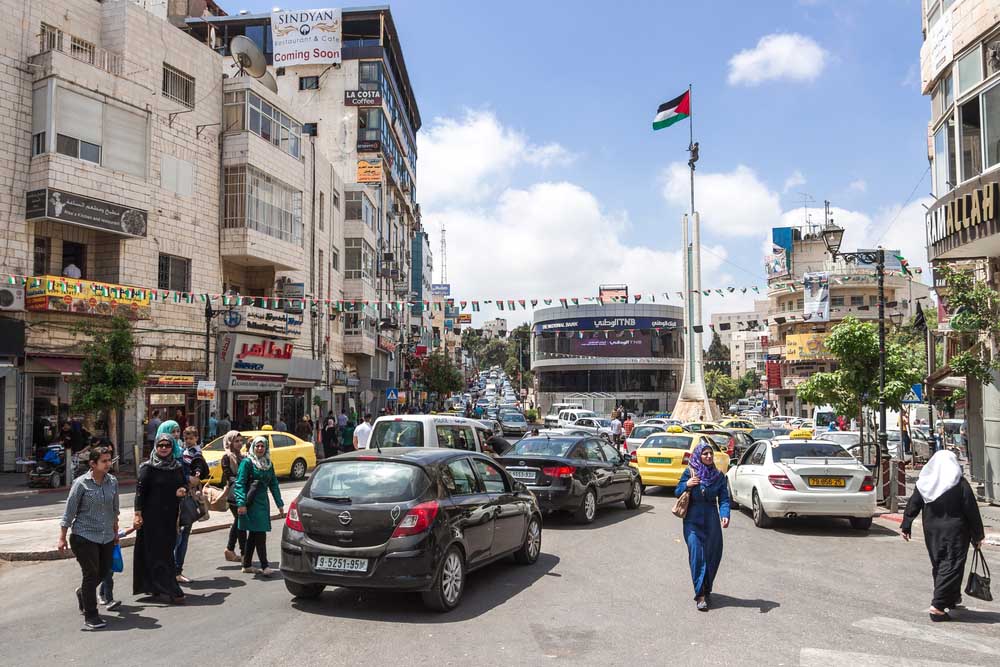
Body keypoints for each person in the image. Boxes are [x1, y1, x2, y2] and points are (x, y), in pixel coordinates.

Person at [900, 450, 985, 621]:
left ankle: (950, 598)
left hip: (932, 531)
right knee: (951, 565)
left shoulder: (925, 483)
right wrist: (978, 535)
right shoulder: (959, 484)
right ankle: (938, 606)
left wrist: (906, 524)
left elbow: (913, 503)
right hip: (956, 532)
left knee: (940, 564)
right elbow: (971, 510)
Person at [57, 446, 118, 630]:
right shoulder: (81, 484)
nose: (108, 464)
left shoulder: (112, 482)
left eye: (109, 460)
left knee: (105, 569)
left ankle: (84, 593)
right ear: (93, 464)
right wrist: (62, 537)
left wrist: (115, 532)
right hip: (84, 536)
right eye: (104, 461)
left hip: (106, 535)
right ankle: (91, 616)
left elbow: (114, 510)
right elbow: (69, 512)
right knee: (90, 574)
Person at [675, 442, 731, 611]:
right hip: (692, 520)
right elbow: (677, 491)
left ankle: (707, 588)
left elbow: (724, 499)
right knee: (697, 556)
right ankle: (699, 595)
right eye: (704, 454)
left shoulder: (718, 476)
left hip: (712, 521)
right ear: (698, 455)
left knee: (713, 556)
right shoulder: (690, 472)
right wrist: (687, 484)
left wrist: (725, 515)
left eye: (710, 454)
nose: (708, 456)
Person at [133, 433, 187, 604]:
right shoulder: (147, 467)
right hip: (151, 518)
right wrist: (137, 514)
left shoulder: (177, 466)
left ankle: (155, 586)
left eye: (167, 445)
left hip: (170, 517)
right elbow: (140, 493)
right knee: (158, 553)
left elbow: (183, 483)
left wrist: (182, 491)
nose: (164, 448)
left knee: (166, 550)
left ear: (172, 447)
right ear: (155, 446)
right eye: (160, 445)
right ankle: (170, 588)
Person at [234, 436, 284, 576]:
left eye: (263, 446)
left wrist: (279, 504)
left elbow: (273, 484)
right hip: (250, 502)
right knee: (260, 532)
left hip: (263, 502)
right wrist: (241, 503)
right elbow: (240, 484)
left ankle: (247, 564)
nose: (260, 449)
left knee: (255, 533)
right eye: (257, 446)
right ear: (253, 447)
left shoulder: (269, 463)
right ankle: (265, 565)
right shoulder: (247, 463)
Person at [175, 426, 208, 584]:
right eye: (185, 438)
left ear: (196, 438)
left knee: (183, 534)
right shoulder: (180, 451)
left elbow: (198, 470)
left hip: (187, 498)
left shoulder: (196, 453)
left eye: (190, 438)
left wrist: (193, 476)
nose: (187, 441)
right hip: (177, 500)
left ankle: (177, 569)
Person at [220, 430, 247, 563]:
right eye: (236, 441)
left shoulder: (242, 456)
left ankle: (231, 550)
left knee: (239, 522)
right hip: (234, 494)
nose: (239, 443)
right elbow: (228, 475)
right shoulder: (227, 457)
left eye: (241, 441)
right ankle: (242, 553)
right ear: (230, 442)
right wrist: (240, 480)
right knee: (240, 522)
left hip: (243, 493)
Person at [98, 524, 135, 611]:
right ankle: (109, 600)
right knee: (108, 580)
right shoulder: (101, 536)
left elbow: (125, 533)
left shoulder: (115, 534)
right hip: (103, 562)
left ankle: (101, 594)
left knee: (107, 578)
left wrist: (134, 527)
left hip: (112, 562)